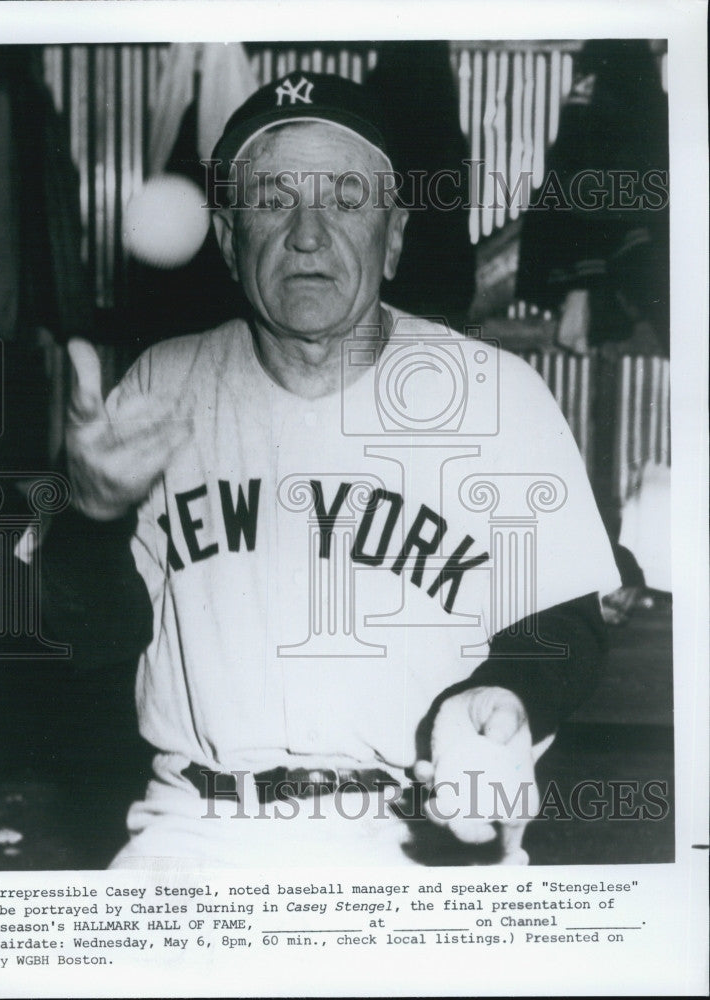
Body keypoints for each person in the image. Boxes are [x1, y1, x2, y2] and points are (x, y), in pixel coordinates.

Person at [39, 73, 620, 868]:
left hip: (422, 827)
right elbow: (87, 643)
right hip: (197, 829)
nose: (308, 235)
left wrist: (511, 694)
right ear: (226, 236)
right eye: (274, 200)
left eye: (347, 199)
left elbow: (565, 622)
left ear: (397, 237)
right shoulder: (157, 389)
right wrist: (91, 516)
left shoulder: (496, 393)